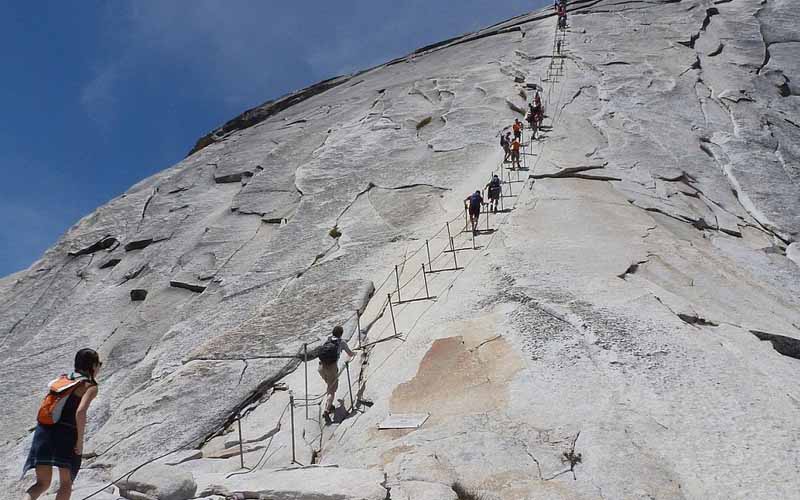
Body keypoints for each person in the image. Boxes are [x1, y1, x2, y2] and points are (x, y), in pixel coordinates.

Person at [22, 349, 101, 500]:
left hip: (43, 432)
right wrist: (79, 441)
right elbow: (80, 412)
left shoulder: (64, 380)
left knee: (42, 484)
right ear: (93, 366)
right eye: (99, 364)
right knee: (66, 484)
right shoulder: (90, 386)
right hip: (65, 436)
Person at [318, 325, 354, 425]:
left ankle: (330, 404)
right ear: (341, 334)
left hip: (321, 367)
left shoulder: (328, 339)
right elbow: (349, 353)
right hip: (331, 368)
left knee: (329, 386)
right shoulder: (341, 342)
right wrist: (354, 354)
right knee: (332, 391)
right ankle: (327, 410)